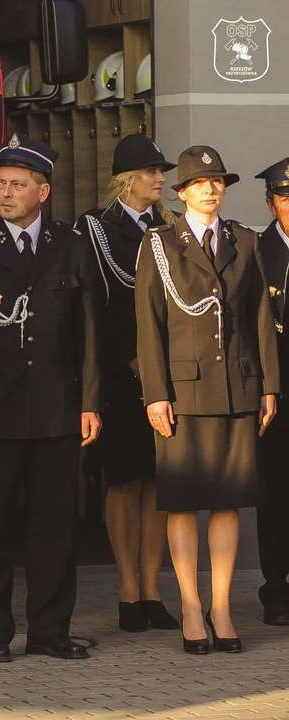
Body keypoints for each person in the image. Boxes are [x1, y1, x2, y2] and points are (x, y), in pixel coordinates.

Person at [0, 134, 102, 663]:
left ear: (43, 191)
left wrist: (90, 402)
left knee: (54, 529)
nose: (5, 194)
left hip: (56, 410)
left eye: (17, 185)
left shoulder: (69, 245)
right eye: (1, 184)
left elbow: (90, 335)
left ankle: (50, 631)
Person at [135, 145, 279, 655]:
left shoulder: (244, 240)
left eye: (217, 181)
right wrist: (155, 394)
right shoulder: (159, 244)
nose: (211, 189)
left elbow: (261, 318)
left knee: (227, 501)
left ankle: (221, 606)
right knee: (182, 503)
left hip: (237, 385)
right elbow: (148, 328)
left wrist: (268, 386)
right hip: (183, 389)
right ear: (182, 192)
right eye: (200, 182)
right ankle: (191, 607)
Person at [75, 134, 179, 633]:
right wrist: (128, 359)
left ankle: (154, 589)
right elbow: (93, 305)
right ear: (126, 178)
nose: (161, 179)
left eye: (161, 171)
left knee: (158, 483)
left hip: (165, 377)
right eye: (151, 171)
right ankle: (127, 589)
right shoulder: (96, 228)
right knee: (123, 480)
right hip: (119, 377)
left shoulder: (171, 228)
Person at [252, 157, 289, 627]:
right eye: (285, 197)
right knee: (277, 494)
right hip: (277, 396)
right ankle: (275, 591)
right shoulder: (257, 252)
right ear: (270, 203)